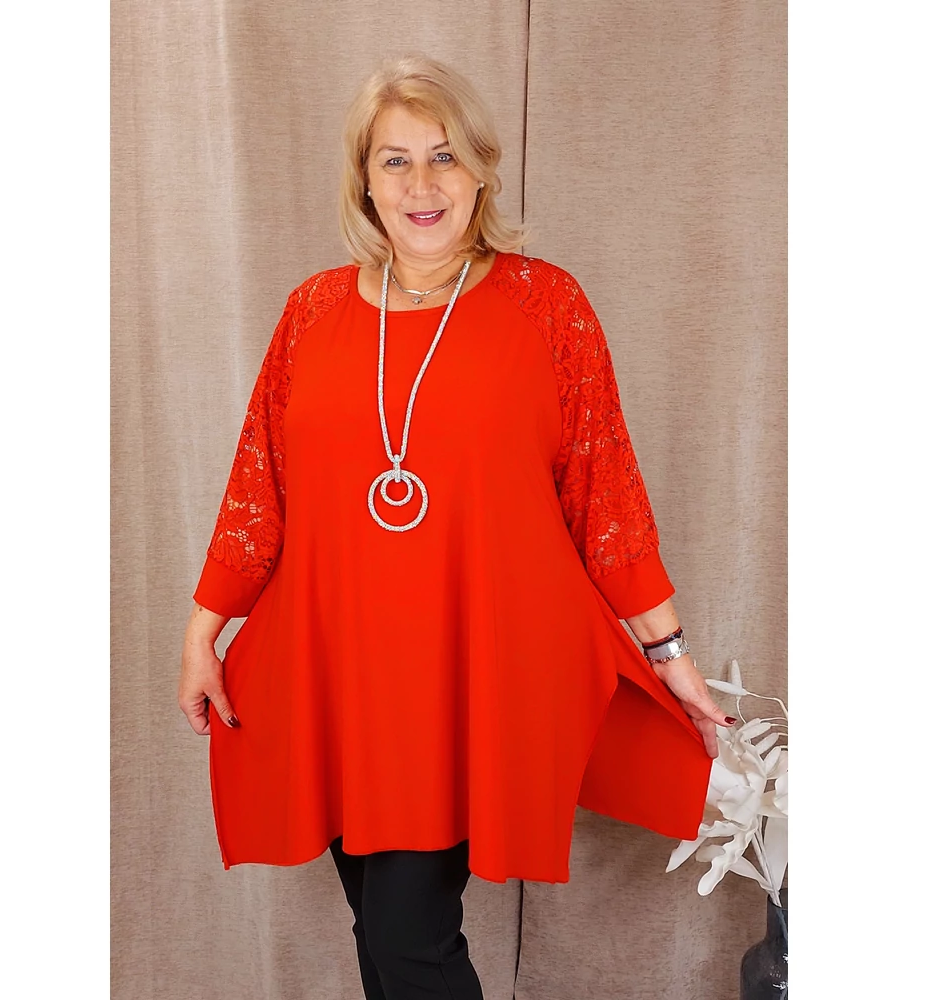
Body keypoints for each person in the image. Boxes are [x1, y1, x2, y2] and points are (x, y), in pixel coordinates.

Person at [178, 54, 735, 1000]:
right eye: (394, 161)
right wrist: (203, 633)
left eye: (443, 157)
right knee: (382, 932)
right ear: (364, 179)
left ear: (481, 169)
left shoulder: (546, 305)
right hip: (336, 672)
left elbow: (606, 497)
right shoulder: (312, 312)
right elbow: (258, 487)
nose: (421, 185)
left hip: (469, 673)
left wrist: (669, 655)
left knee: (408, 938)